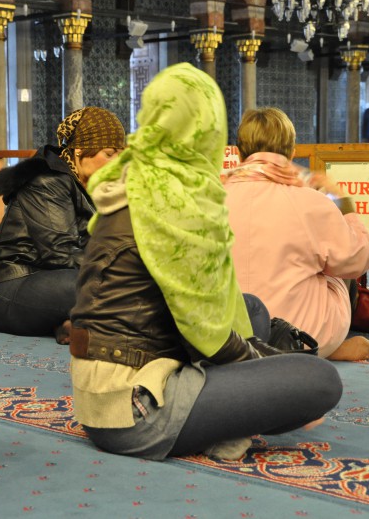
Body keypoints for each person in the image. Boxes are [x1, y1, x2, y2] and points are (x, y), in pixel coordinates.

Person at [68, 63, 342, 462]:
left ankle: (222, 421)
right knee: (318, 381)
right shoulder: (175, 200)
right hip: (134, 408)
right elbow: (206, 334)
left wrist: (262, 364)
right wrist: (278, 374)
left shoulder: (137, 177)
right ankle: (221, 427)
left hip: (100, 387)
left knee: (251, 308)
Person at [223, 107, 369, 361]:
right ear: (292, 153)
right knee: (341, 262)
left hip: (224, 335)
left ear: (239, 154)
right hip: (300, 333)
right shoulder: (311, 201)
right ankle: (322, 348)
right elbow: (360, 259)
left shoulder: (211, 197)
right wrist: (343, 204)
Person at [0, 107, 126, 343]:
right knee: (116, 288)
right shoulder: (47, 180)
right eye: (109, 154)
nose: (117, 162)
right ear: (80, 150)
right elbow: (59, 253)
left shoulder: (92, 184)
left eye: (121, 154)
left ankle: (69, 324)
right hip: (9, 286)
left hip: (54, 278)